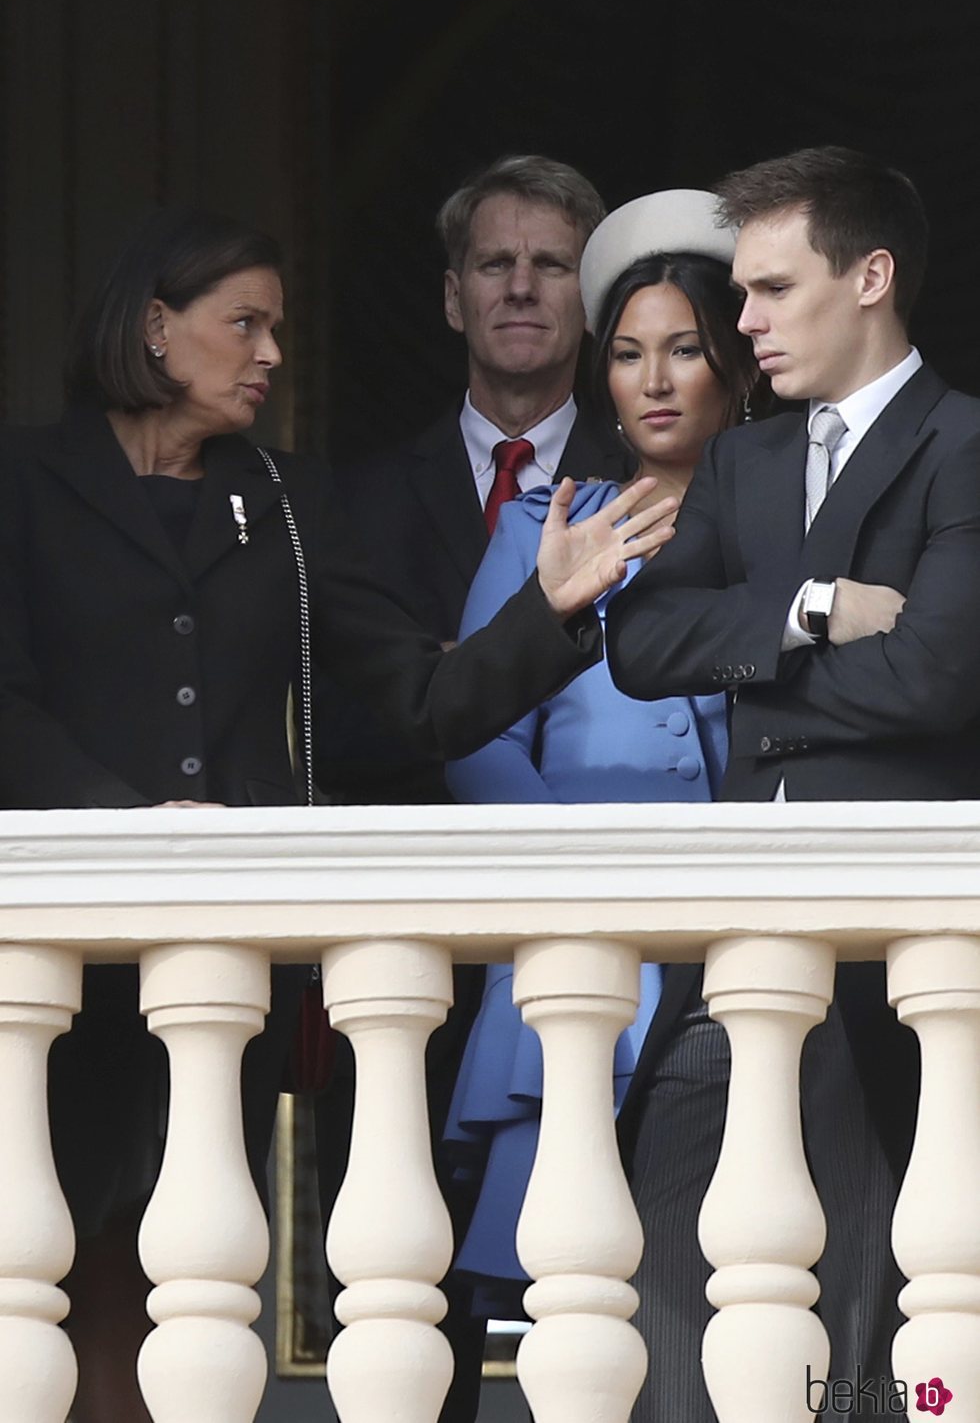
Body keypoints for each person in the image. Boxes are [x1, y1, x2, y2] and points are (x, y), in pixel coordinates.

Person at [0, 206, 676, 1423]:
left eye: (277, 327)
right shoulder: (25, 482)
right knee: (58, 1257)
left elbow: (421, 695)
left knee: (190, 1262)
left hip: (233, 963)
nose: (269, 354)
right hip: (64, 947)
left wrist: (549, 609)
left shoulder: (287, 495)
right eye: (241, 325)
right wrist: (124, 821)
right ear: (156, 330)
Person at [607, 146, 980, 1418]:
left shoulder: (963, 445)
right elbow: (641, 645)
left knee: (875, 1323)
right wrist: (815, 608)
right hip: (732, 951)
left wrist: (750, 681)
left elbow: (937, 680)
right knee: (657, 1240)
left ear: (868, 276)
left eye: (769, 290)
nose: (744, 323)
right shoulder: (741, 466)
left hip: (892, 965)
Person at [439, 190, 761, 1408]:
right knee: (573, 1304)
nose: (654, 381)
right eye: (626, 355)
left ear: (731, 364)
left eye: (683, 350)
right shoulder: (541, 522)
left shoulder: (782, 531)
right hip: (580, 958)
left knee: (736, 1285)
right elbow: (472, 742)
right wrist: (584, 881)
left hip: (744, 951)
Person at [320, 153, 630, 805]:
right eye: (495, 264)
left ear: (595, 299)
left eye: (551, 265)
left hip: (602, 858)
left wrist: (451, 664)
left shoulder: (645, 485)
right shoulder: (354, 503)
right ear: (454, 300)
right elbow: (334, 726)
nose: (521, 287)